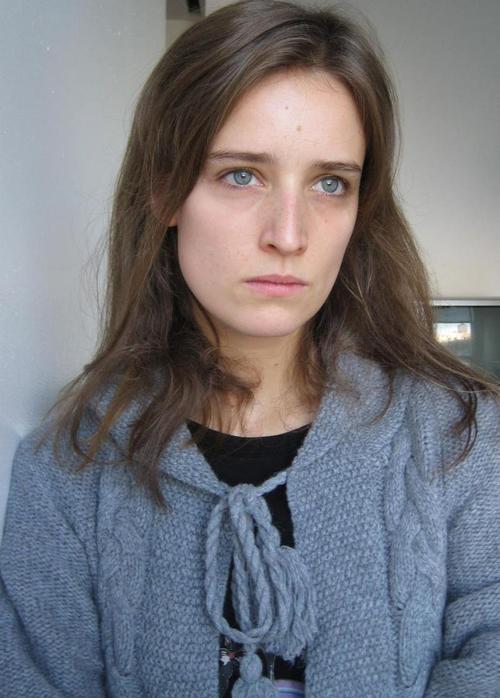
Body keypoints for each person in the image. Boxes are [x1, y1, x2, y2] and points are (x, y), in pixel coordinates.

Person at [1, 1, 499, 696]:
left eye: (331, 183)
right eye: (241, 174)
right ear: (165, 192)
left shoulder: (459, 438)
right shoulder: (67, 465)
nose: (289, 236)